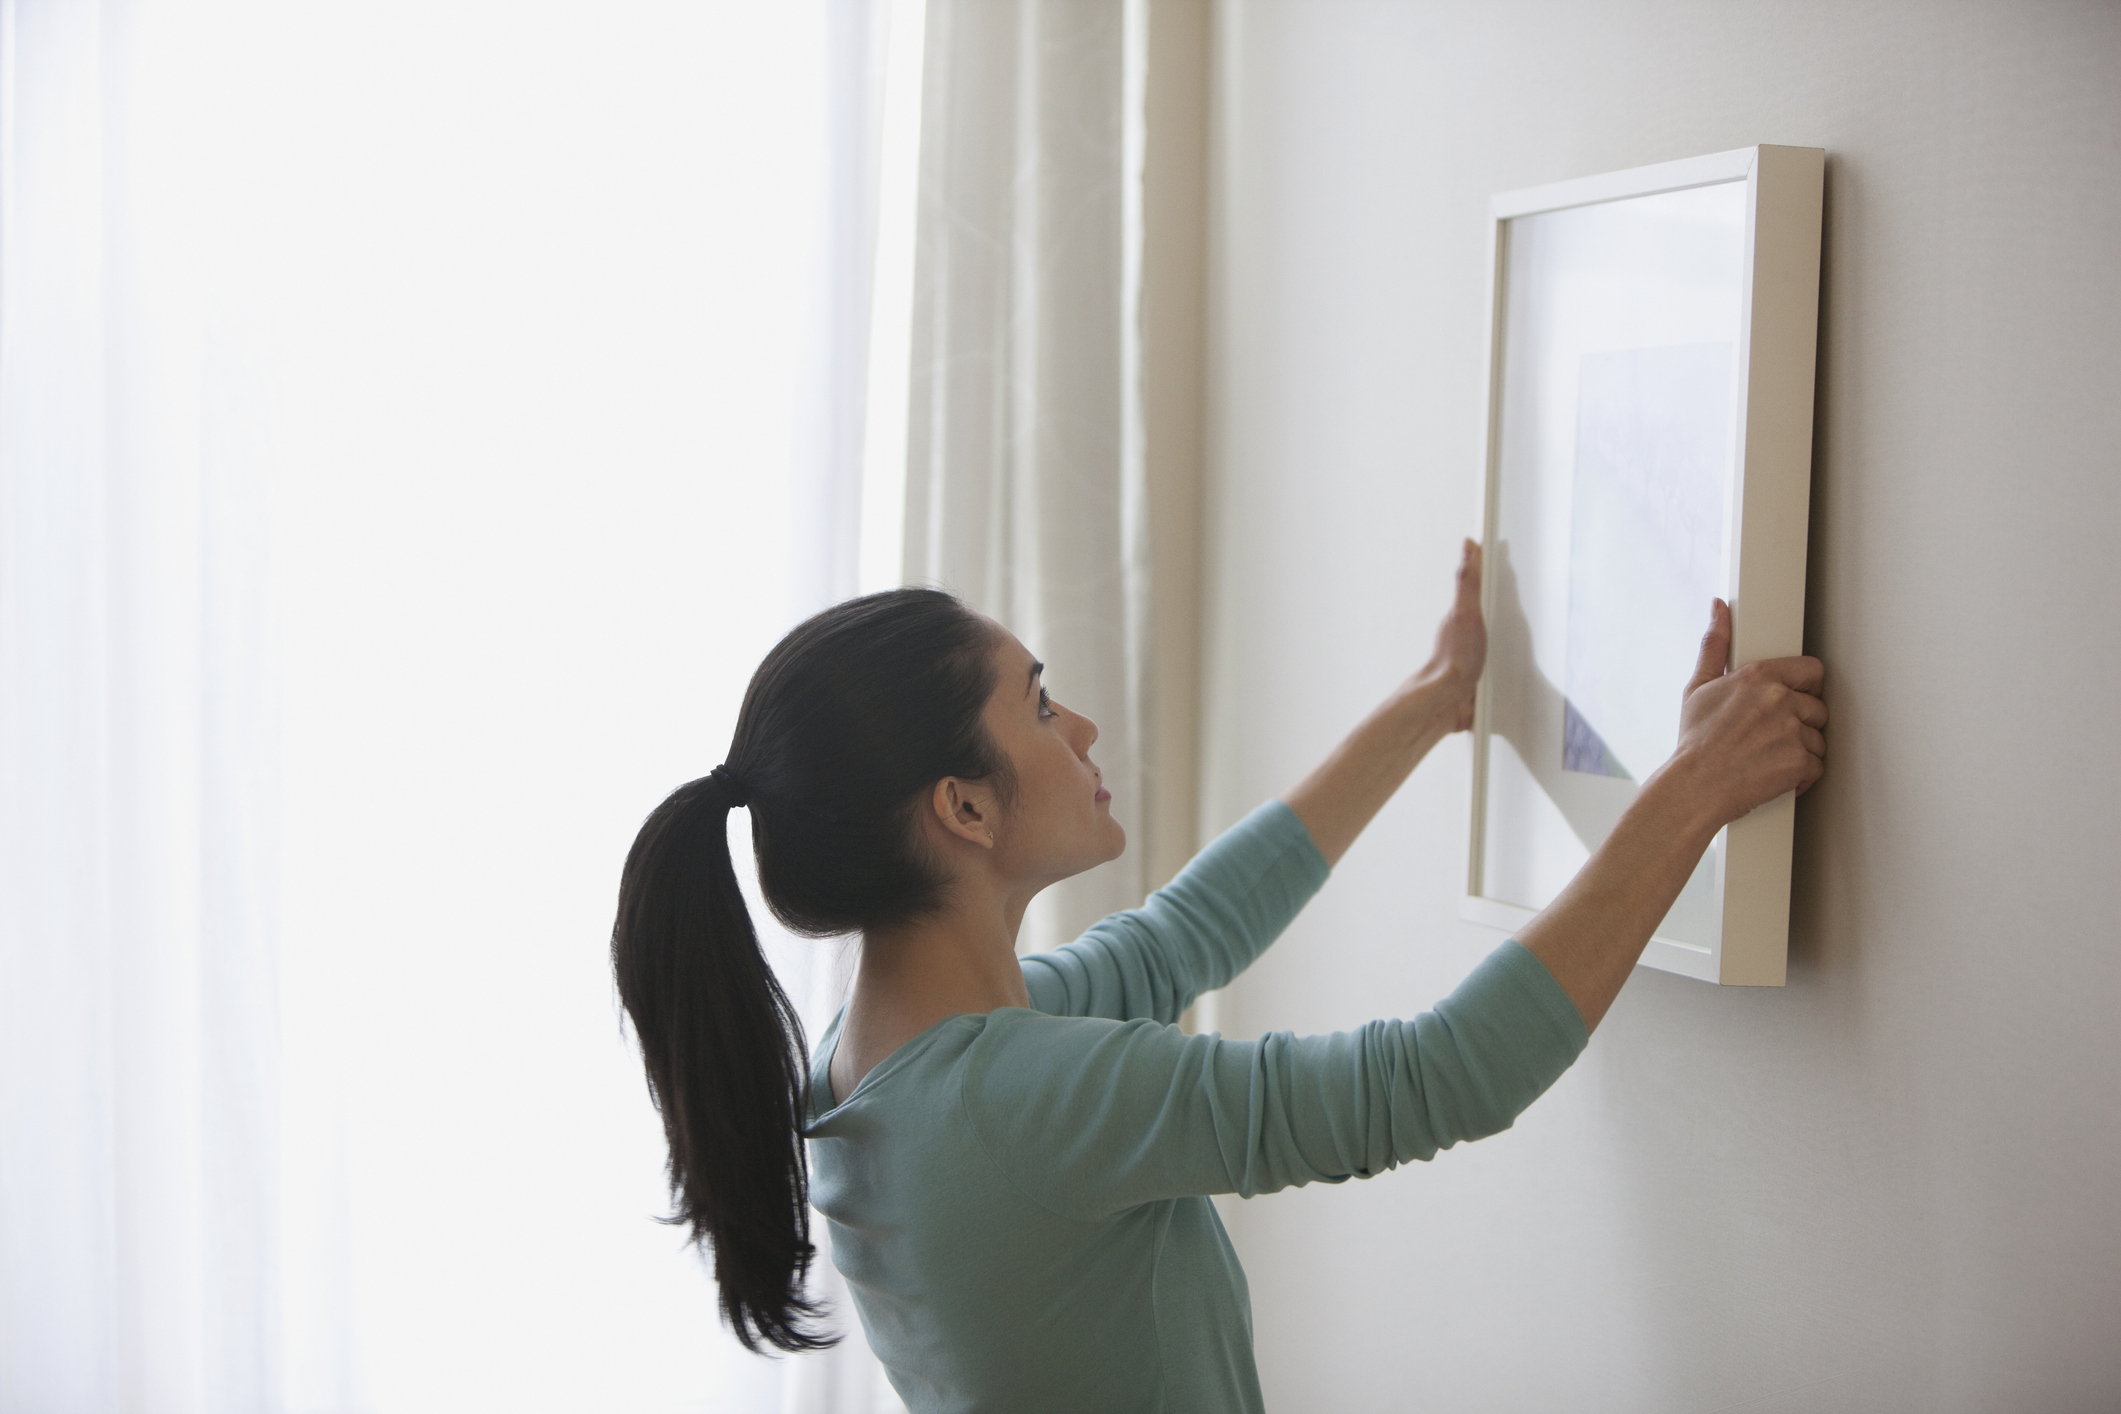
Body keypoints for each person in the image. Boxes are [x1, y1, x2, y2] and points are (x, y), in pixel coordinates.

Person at [611, 541, 1827, 1414]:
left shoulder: (887, 1058)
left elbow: (1185, 935)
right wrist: (1694, 790)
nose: (1081, 729)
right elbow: (1444, 1078)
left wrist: (1431, 705)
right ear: (964, 805)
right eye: (1038, 705)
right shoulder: (1009, 1097)